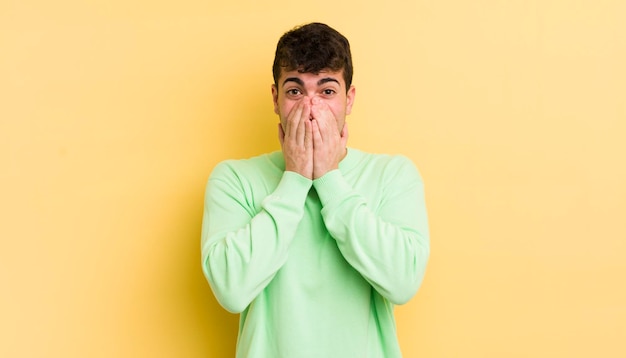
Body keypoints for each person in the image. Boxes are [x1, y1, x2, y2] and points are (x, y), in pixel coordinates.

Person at [201, 22, 429, 358]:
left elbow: (403, 282)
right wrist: (294, 178)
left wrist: (329, 178)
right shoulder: (234, 179)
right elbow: (231, 291)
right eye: (295, 91)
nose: (311, 109)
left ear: (349, 100)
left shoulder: (393, 175)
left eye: (327, 92)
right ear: (275, 99)